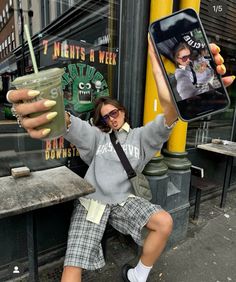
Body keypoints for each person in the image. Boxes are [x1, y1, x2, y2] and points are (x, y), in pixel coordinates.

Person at [6, 38, 234, 282]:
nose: (110, 120)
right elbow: (73, 125)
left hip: (125, 201)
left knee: (164, 221)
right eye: (104, 118)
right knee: (72, 265)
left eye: (113, 113)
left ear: (122, 111)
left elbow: (168, 118)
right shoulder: (97, 138)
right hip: (91, 203)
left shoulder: (141, 137)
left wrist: (178, 98)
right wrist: (49, 110)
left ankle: (138, 275)